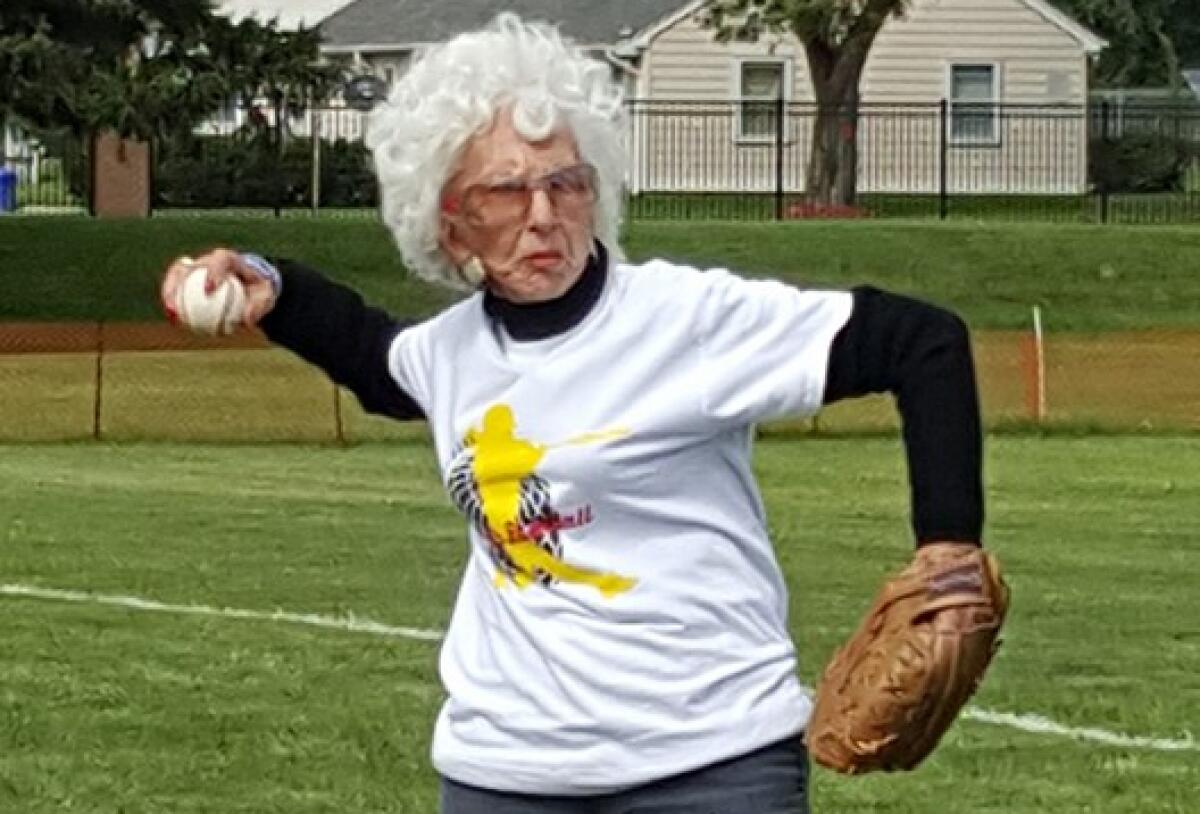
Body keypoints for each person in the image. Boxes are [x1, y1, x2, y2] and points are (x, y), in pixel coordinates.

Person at [160, 14, 985, 813]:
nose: (544, 214)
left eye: (565, 183)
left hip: (710, 762)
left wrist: (948, 557)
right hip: (503, 768)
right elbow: (373, 359)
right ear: (451, 226)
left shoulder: (683, 320)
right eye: (507, 191)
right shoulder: (451, 356)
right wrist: (272, 286)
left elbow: (923, 343)